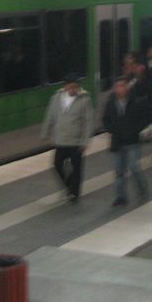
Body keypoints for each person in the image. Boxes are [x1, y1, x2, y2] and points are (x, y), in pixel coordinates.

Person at [40, 74, 94, 204]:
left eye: (75, 87)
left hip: (76, 141)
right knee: (57, 164)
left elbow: (88, 121)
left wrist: (85, 141)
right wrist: (45, 132)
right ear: (64, 87)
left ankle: (74, 194)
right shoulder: (56, 98)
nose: (73, 90)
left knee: (76, 168)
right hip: (61, 139)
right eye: (70, 87)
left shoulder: (84, 99)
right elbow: (50, 116)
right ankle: (69, 183)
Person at [102, 78, 152, 207]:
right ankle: (121, 197)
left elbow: (144, 118)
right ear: (114, 88)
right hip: (117, 142)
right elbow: (105, 120)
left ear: (127, 87)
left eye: (123, 86)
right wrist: (111, 129)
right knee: (119, 171)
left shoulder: (135, 101)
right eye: (118, 86)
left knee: (133, 166)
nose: (120, 89)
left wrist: (134, 130)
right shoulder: (110, 103)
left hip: (132, 141)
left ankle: (142, 188)